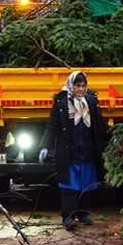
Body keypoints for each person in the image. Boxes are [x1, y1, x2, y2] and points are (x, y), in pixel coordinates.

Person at [40, 71, 108, 230]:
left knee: (87, 185)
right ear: (71, 85)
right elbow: (52, 125)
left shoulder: (91, 101)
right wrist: (45, 146)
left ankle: (83, 213)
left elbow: (99, 124)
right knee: (69, 186)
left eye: (84, 86)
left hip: (87, 151)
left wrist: (110, 140)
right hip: (69, 152)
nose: (81, 89)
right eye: (78, 86)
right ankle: (68, 216)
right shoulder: (62, 102)